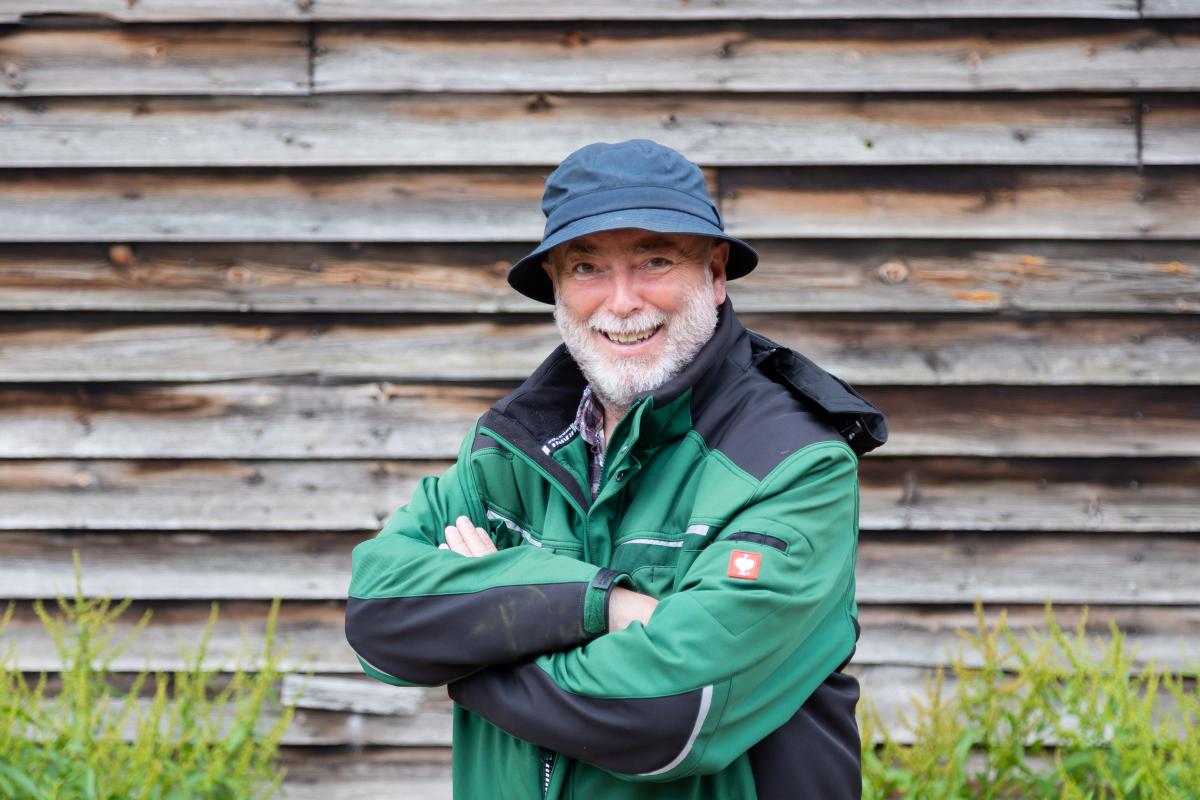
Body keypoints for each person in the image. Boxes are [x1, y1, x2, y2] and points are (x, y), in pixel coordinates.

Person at [345, 139, 888, 799]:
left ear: (715, 274)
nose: (622, 301)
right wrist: (605, 605)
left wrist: (471, 644)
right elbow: (378, 611)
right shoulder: (508, 447)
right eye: (587, 267)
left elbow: (670, 713)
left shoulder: (794, 463)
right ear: (555, 285)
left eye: (654, 260)